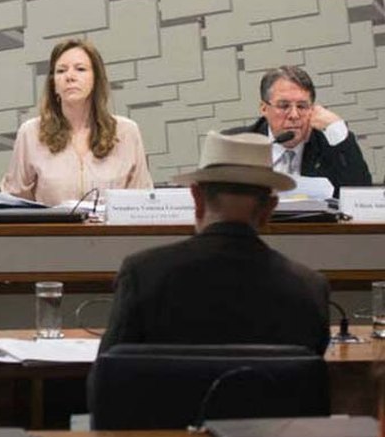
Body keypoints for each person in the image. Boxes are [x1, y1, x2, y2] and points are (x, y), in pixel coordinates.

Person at [96, 131, 330, 356]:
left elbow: (107, 381)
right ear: (269, 210)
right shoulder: (309, 289)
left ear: (196, 198)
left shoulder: (143, 274)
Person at [0, 39, 152, 206]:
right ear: (54, 84)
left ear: (96, 79)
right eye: (61, 71)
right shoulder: (30, 133)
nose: (70, 77)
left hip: (111, 232)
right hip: (53, 231)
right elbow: (13, 203)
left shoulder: (126, 132)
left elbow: (142, 203)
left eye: (80, 69)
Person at [225, 65, 371, 197]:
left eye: (302, 106)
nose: (294, 115)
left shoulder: (329, 144)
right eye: (283, 106)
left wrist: (338, 131)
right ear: (264, 108)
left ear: (312, 109)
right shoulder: (237, 144)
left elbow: (362, 196)